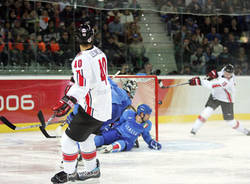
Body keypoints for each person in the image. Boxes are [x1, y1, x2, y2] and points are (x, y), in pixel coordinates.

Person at [51, 22, 112, 183]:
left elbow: (82, 85)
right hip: (105, 107)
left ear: (77, 39)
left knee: (68, 139)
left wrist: (68, 101)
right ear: (92, 36)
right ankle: (92, 170)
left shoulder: (80, 59)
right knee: (86, 138)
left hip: (92, 109)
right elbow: (90, 78)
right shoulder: (100, 53)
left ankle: (69, 173)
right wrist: (74, 83)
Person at [189, 64, 250, 136]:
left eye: (229, 74)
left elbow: (211, 85)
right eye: (226, 73)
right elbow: (218, 74)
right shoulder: (225, 69)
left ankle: (245, 131)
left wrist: (198, 82)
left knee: (230, 122)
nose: (227, 75)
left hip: (226, 100)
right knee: (206, 112)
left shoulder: (227, 82)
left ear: (232, 74)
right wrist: (211, 75)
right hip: (215, 96)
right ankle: (194, 129)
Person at [94, 104, 162, 153]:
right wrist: (109, 128)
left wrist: (151, 142)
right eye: (147, 114)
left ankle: (111, 147)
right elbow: (119, 122)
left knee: (125, 143)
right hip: (117, 132)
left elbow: (146, 136)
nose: (149, 116)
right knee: (100, 139)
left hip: (128, 140)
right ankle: (87, 146)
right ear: (141, 114)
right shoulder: (128, 114)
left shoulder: (147, 124)